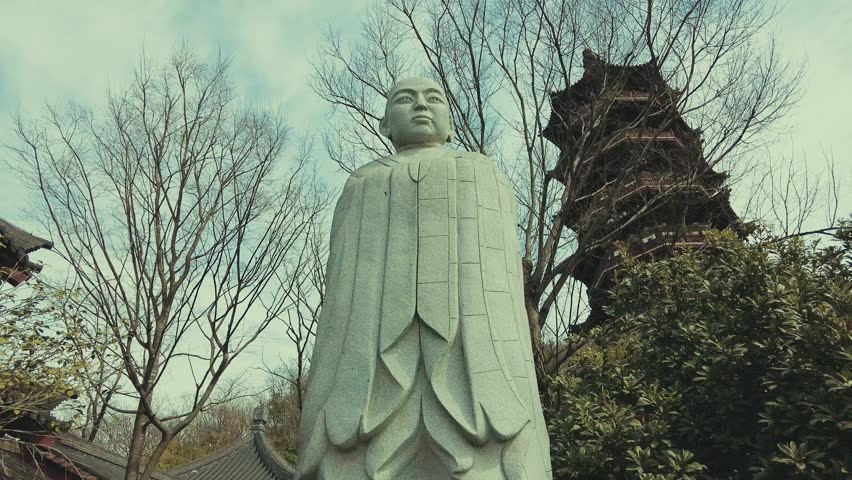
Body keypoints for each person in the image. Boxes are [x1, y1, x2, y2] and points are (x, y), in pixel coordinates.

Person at [296, 77, 552, 480]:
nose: (420, 106)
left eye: (433, 98)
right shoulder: (362, 182)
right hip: (371, 350)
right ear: (384, 125)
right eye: (404, 99)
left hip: (469, 349)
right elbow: (343, 296)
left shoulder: (480, 172)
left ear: (450, 124)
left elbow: (498, 282)